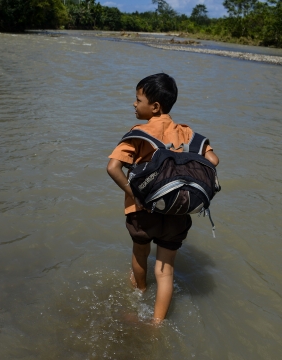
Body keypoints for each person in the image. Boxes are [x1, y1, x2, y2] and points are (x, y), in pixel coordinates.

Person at [106, 73, 219, 324]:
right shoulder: (188, 132)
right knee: (165, 271)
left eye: (138, 100)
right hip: (176, 211)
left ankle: (140, 295)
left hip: (142, 210)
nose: (134, 104)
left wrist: (135, 194)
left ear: (154, 106)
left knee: (140, 256)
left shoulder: (139, 133)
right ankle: (157, 324)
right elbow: (213, 161)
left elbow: (113, 167)